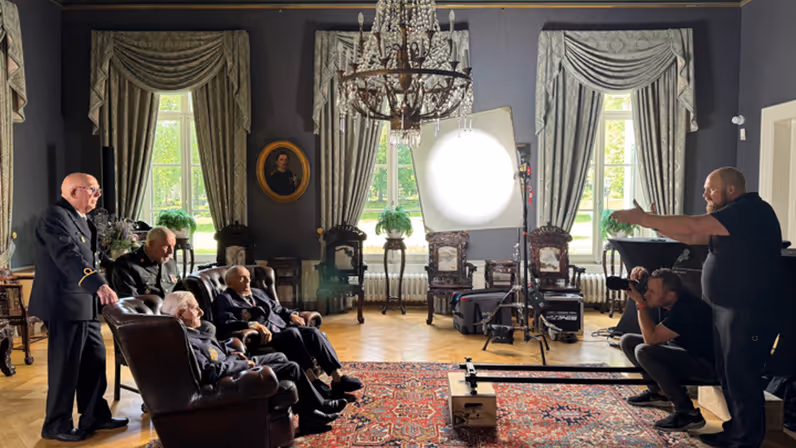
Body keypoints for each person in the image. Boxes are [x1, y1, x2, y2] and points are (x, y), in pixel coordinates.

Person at [613, 167, 782, 448]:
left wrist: (644, 218)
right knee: (730, 375)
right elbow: (691, 237)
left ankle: (745, 439)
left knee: (741, 375)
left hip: (746, 311)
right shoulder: (734, 217)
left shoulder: (747, 211)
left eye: (710, 189)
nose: (705, 194)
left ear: (731, 189)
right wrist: (654, 225)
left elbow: (693, 226)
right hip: (730, 310)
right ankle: (735, 431)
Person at [28, 173, 128, 442]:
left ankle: (95, 415)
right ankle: (56, 425)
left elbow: (90, 257)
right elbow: (67, 255)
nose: (98, 195)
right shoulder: (54, 216)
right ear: (74, 191)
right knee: (66, 367)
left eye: (98, 190)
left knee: (95, 360)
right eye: (93, 190)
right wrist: (98, 284)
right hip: (64, 304)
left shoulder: (81, 218)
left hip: (84, 303)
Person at [162, 291, 346, 433]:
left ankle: (309, 415)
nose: (201, 312)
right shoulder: (186, 342)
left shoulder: (194, 331)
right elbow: (212, 371)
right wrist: (244, 364)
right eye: (195, 308)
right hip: (232, 376)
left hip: (233, 362)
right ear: (180, 313)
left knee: (280, 357)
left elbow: (216, 351)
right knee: (292, 367)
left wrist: (233, 353)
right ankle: (317, 408)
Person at [215, 266, 363, 398]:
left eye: (248, 277)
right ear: (230, 282)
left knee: (312, 332)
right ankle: (312, 380)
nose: (248, 280)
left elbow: (277, 308)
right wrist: (253, 324)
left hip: (282, 326)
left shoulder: (257, 292)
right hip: (266, 337)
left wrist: (291, 314)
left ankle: (338, 379)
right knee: (292, 333)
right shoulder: (225, 299)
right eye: (242, 278)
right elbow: (224, 322)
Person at [620, 268, 716, 432]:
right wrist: (641, 273)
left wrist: (640, 303)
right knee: (628, 340)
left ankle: (688, 413)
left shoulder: (687, 309)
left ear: (670, 295)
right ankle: (658, 393)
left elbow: (651, 339)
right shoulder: (674, 296)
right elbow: (663, 281)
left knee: (644, 350)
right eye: (647, 289)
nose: (647, 294)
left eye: (652, 291)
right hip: (682, 351)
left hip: (704, 365)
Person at [111, 226, 180, 298]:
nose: (171, 251)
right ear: (150, 244)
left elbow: (180, 291)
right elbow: (130, 301)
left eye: (173, 246)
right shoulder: (125, 265)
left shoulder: (170, 263)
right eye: (166, 246)